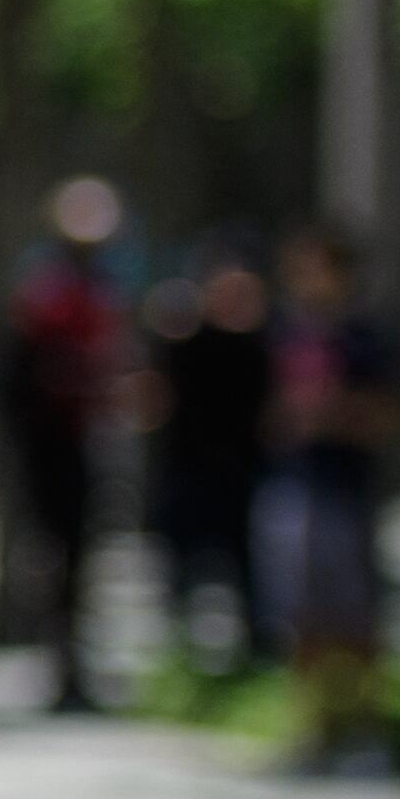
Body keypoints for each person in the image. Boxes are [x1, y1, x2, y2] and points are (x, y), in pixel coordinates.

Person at [260, 221, 400, 772]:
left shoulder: (367, 339)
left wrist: (330, 413)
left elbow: (386, 417)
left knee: (357, 618)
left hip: (347, 488)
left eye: (316, 269)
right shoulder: (286, 335)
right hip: (293, 485)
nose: (305, 281)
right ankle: (314, 731)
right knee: (301, 617)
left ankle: (369, 729)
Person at [0, 176, 125, 713]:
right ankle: (59, 665)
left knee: (80, 559)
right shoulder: (47, 291)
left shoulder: (99, 288)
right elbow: (25, 374)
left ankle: (74, 666)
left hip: (87, 438)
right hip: (51, 443)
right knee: (56, 558)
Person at [137, 246, 272, 668]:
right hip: (188, 472)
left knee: (249, 575)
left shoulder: (262, 349)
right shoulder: (182, 345)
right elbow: (151, 402)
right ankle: (180, 661)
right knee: (180, 572)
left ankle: (253, 658)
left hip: (244, 476)